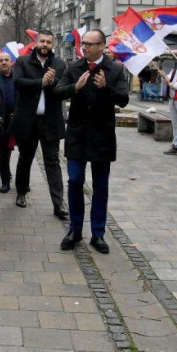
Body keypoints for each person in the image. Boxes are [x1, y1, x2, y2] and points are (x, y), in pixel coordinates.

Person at [54, 29, 129, 254]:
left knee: (100, 186)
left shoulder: (114, 69)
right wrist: (74, 88)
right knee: (75, 181)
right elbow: (58, 92)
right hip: (77, 135)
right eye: (83, 43)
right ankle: (75, 230)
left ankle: (98, 234)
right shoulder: (74, 68)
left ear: (101, 46)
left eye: (89, 44)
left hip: (101, 136)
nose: (84, 47)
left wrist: (106, 88)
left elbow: (124, 99)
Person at [10, 30, 69, 219]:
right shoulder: (23, 61)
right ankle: (21, 192)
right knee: (25, 157)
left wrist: (52, 82)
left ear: (53, 45)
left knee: (52, 161)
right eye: (42, 41)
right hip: (28, 120)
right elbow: (18, 82)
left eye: (49, 42)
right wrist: (40, 82)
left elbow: (63, 88)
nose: (45, 44)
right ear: (36, 42)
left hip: (50, 120)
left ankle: (58, 204)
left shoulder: (59, 64)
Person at [0, 50, 17, 193]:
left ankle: (23, 182)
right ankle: (5, 181)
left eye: (6, 60)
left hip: (19, 119)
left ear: (11, 61)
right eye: (1, 61)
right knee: (3, 152)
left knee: (25, 153)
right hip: (2, 121)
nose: (4, 63)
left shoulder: (18, 76)